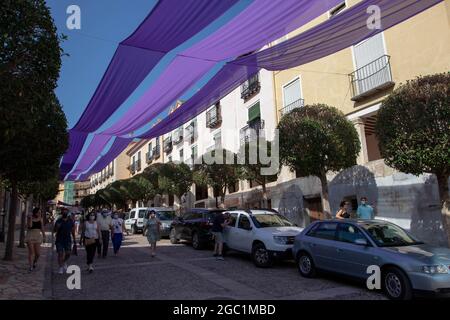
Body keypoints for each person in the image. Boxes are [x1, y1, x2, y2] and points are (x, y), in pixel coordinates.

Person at [53, 208, 76, 274]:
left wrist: (74, 239)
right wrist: (57, 227)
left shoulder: (70, 221)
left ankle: (64, 261)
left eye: (66, 212)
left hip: (67, 239)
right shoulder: (58, 221)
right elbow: (54, 230)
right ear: (61, 213)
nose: (65, 213)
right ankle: (60, 267)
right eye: (63, 212)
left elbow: (73, 230)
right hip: (59, 239)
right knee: (60, 253)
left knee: (68, 253)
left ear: (67, 213)